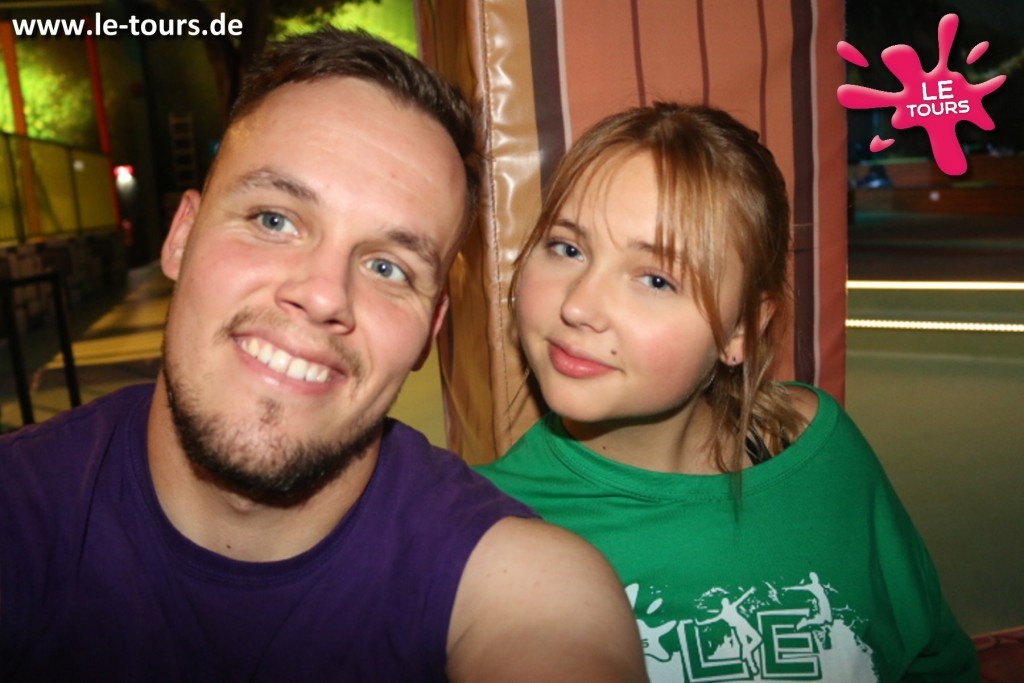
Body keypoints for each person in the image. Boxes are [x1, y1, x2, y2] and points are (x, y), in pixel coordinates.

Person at [0, 29, 645, 682]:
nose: (321, 294)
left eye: (388, 266)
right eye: (274, 220)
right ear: (181, 237)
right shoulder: (19, 508)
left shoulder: (519, 585)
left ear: (431, 330)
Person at [478, 102, 978, 682]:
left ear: (741, 330)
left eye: (656, 279)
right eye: (568, 248)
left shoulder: (819, 453)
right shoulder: (485, 528)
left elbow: (935, 662)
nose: (578, 306)